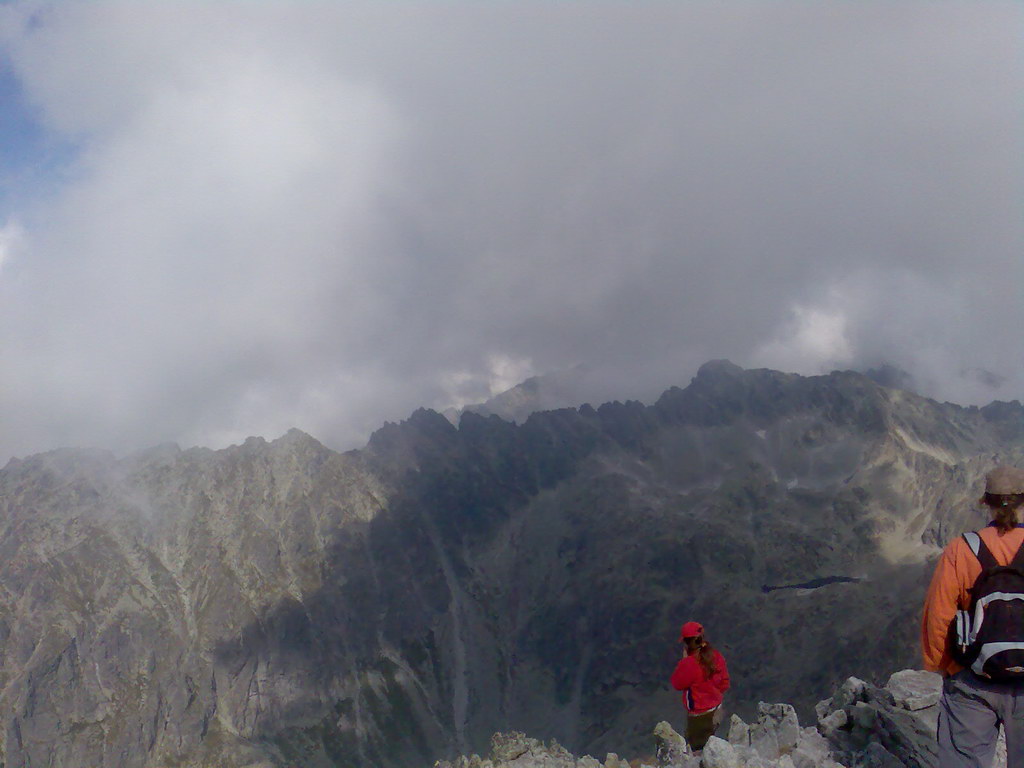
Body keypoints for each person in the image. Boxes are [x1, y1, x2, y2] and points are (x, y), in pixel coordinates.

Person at [921, 465, 1024, 768]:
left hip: (974, 680)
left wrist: (948, 668)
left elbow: (939, 615)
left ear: (986, 502)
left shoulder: (961, 549)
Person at [670, 621, 730, 751]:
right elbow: (725, 683)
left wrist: (684, 661)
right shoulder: (716, 655)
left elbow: (677, 683)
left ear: (687, 643)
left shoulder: (690, 663)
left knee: (698, 752)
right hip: (717, 709)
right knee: (712, 744)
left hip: (699, 716)